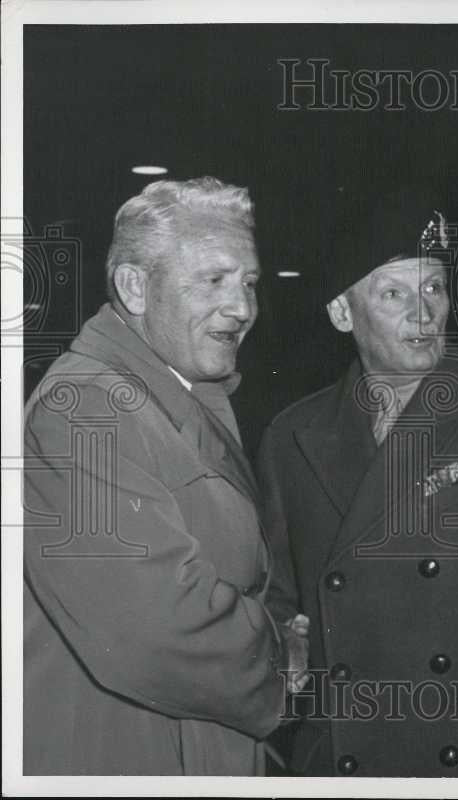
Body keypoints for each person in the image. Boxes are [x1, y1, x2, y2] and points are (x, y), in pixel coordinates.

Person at [256, 187, 458, 777]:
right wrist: (286, 643)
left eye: (434, 287)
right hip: (349, 754)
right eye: (394, 293)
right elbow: (277, 590)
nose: (423, 312)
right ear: (341, 312)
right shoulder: (293, 436)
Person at [22, 177, 308, 775]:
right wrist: (282, 658)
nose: (244, 307)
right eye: (214, 280)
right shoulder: (83, 409)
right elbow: (152, 630)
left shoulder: (177, 394)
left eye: (249, 282)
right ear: (135, 287)